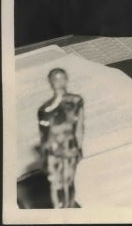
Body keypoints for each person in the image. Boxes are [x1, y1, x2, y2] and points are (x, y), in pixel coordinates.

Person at [37, 68, 84, 209]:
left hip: (70, 147)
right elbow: (43, 135)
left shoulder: (76, 101)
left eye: (62, 78)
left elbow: (79, 127)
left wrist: (79, 147)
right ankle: (58, 211)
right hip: (53, 149)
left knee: (69, 180)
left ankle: (69, 207)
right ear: (50, 82)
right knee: (55, 182)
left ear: (67, 79)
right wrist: (45, 156)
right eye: (55, 79)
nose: (59, 81)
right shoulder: (45, 110)